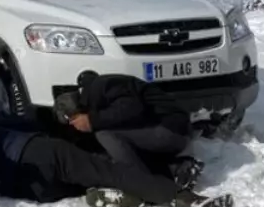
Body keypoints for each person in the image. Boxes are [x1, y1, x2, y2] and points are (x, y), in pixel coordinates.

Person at [0, 112, 234, 207]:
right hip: (42, 153)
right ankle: (186, 199)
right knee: (109, 169)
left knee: (90, 175)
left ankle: (102, 193)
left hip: (34, 189)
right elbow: (26, 123)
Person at [56, 70, 202, 189]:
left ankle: (141, 183)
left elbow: (132, 107)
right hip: (172, 131)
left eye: (73, 122)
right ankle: (178, 169)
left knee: (104, 133)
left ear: (75, 112)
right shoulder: (102, 94)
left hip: (171, 129)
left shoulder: (101, 86)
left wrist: (92, 121)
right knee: (121, 147)